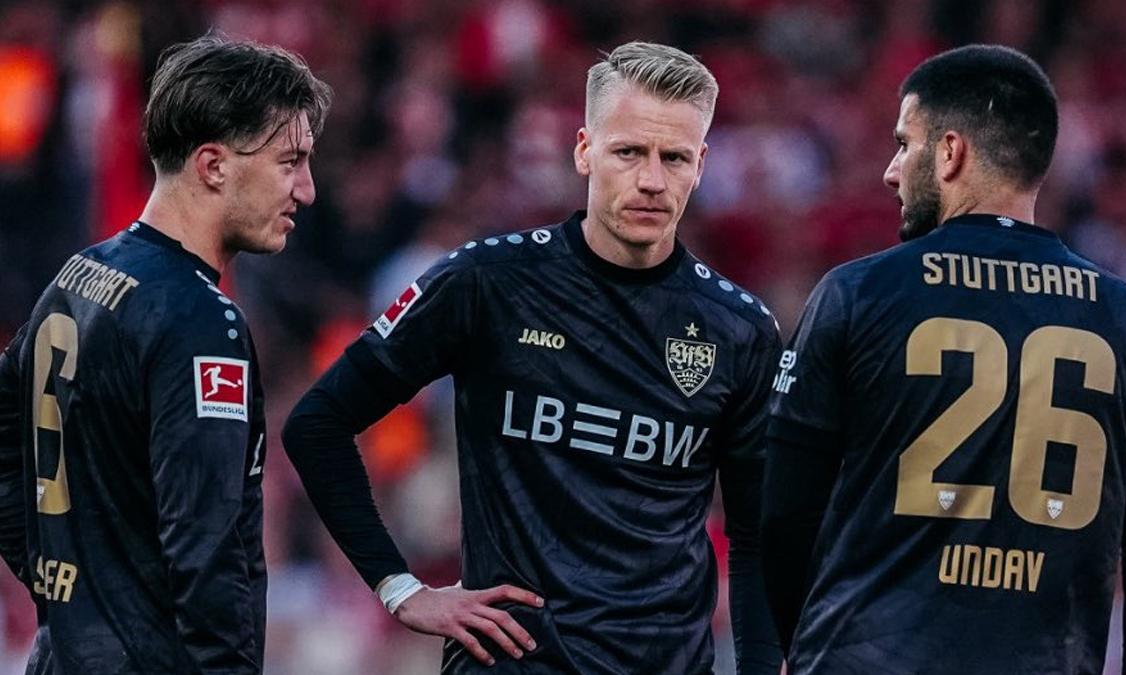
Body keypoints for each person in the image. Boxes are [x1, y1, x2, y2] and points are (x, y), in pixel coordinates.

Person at [283, 41, 781, 673]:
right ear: (584, 150)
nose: (652, 179)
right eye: (628, 151)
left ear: (702, 164)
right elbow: (317, 423)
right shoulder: (488, 282)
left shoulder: (739, 329)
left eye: (674, 157)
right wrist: (399, 587)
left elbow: (759, 534)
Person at [760, 43, 1126, 675]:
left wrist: (800, 649)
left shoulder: (856, 294)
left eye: (904, 143)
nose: (890, 169)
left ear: (950, 152)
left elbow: (785, 517)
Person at [0, 35, 331, 673]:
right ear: (212, 166)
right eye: (290, 162)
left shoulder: (75, 279)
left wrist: (65, 585)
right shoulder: (201, 321)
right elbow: (205, 546)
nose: (307, 190)